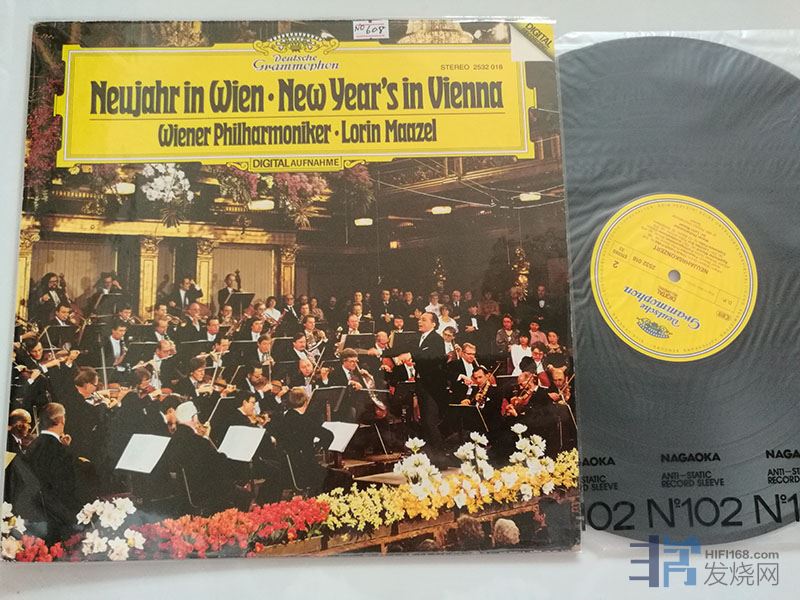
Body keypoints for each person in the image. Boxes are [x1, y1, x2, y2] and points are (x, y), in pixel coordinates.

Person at [25, 402, 81, 544]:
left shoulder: (32, 445)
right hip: (56, 520)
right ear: (61, 420)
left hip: (34, 515)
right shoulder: (60, 451)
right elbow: (67, 487)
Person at [275, 388, 350, 495]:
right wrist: (318, 448)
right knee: (345, 476)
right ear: (306, 401)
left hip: (288, 471)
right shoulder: (305, 421)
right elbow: (328, 435)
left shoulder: (283, 419)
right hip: (307, 471)